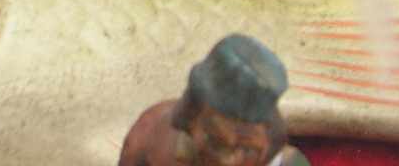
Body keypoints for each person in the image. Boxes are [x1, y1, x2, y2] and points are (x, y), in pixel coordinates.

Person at [119, 35, 309, 166]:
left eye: (246, 149)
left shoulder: (283, 160)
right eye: (215, 142)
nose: (229, 161)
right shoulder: (149, 135)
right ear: (191, 120)